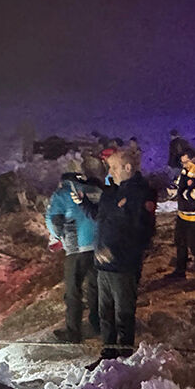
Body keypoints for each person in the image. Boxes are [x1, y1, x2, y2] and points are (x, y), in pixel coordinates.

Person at [74, 147, 156, 358]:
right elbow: (100, 216)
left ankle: (124, 355)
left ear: (128, 167)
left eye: (113, 167)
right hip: (103, 266)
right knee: (105, 314)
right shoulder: (112, 193)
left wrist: (117, 251)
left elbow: (143, 233)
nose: (110, 173)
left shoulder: (140, 193)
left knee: (123, 314)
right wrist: (83, 202)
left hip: (122, 266)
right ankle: (108, 353)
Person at [46, 157, 103, 343]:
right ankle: (98, 324)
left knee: (73, 291)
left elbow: (53, 219)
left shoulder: (62, 193)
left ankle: (73, 331)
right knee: (96, 288)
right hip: (99, 246)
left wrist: (58, 237)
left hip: (76, 247)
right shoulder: (96, 189)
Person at [164, 148, 195, 286]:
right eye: (182, 163)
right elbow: (181, 183)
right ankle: (180, 271)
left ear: (194, 158)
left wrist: (183, 194)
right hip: (184, 213)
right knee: (180, 241)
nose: (184, 165)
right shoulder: (187, 168)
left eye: (185, 162)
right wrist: (175, 190)